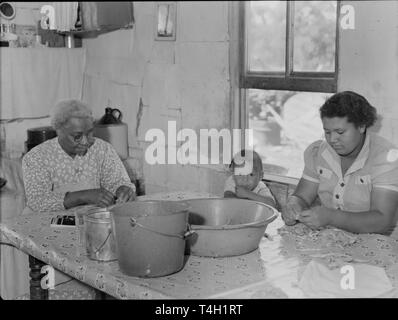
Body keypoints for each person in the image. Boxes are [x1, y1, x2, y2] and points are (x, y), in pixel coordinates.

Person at [281, 91, 398, 236]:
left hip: (378, 245)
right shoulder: (318, 152)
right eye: (327, 132)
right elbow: (302, 196)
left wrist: (331, 217)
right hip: (331, 241)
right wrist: (293, 205)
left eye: (340, 132)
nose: (332, 139)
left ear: (361, 126)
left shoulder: (385, 156)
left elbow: (382, 221)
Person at [22, 99, 136, 212]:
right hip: (49, 223)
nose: (85, 142)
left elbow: (118, 181)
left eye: (90, 133)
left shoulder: (103, 149)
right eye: (77, 136)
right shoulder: (37, 157)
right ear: (59, 131)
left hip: (90, 219)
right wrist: (83, 196)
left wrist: (122, 190)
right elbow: (37, 201)